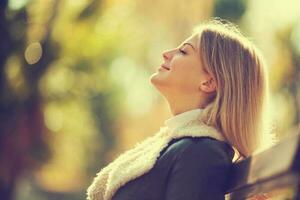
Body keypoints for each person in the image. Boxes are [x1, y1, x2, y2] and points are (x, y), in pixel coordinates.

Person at [86, 19, 274, 200]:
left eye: (183, 51)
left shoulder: (201, 153)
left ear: (208, 82)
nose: (166, 53)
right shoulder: (181, 147)